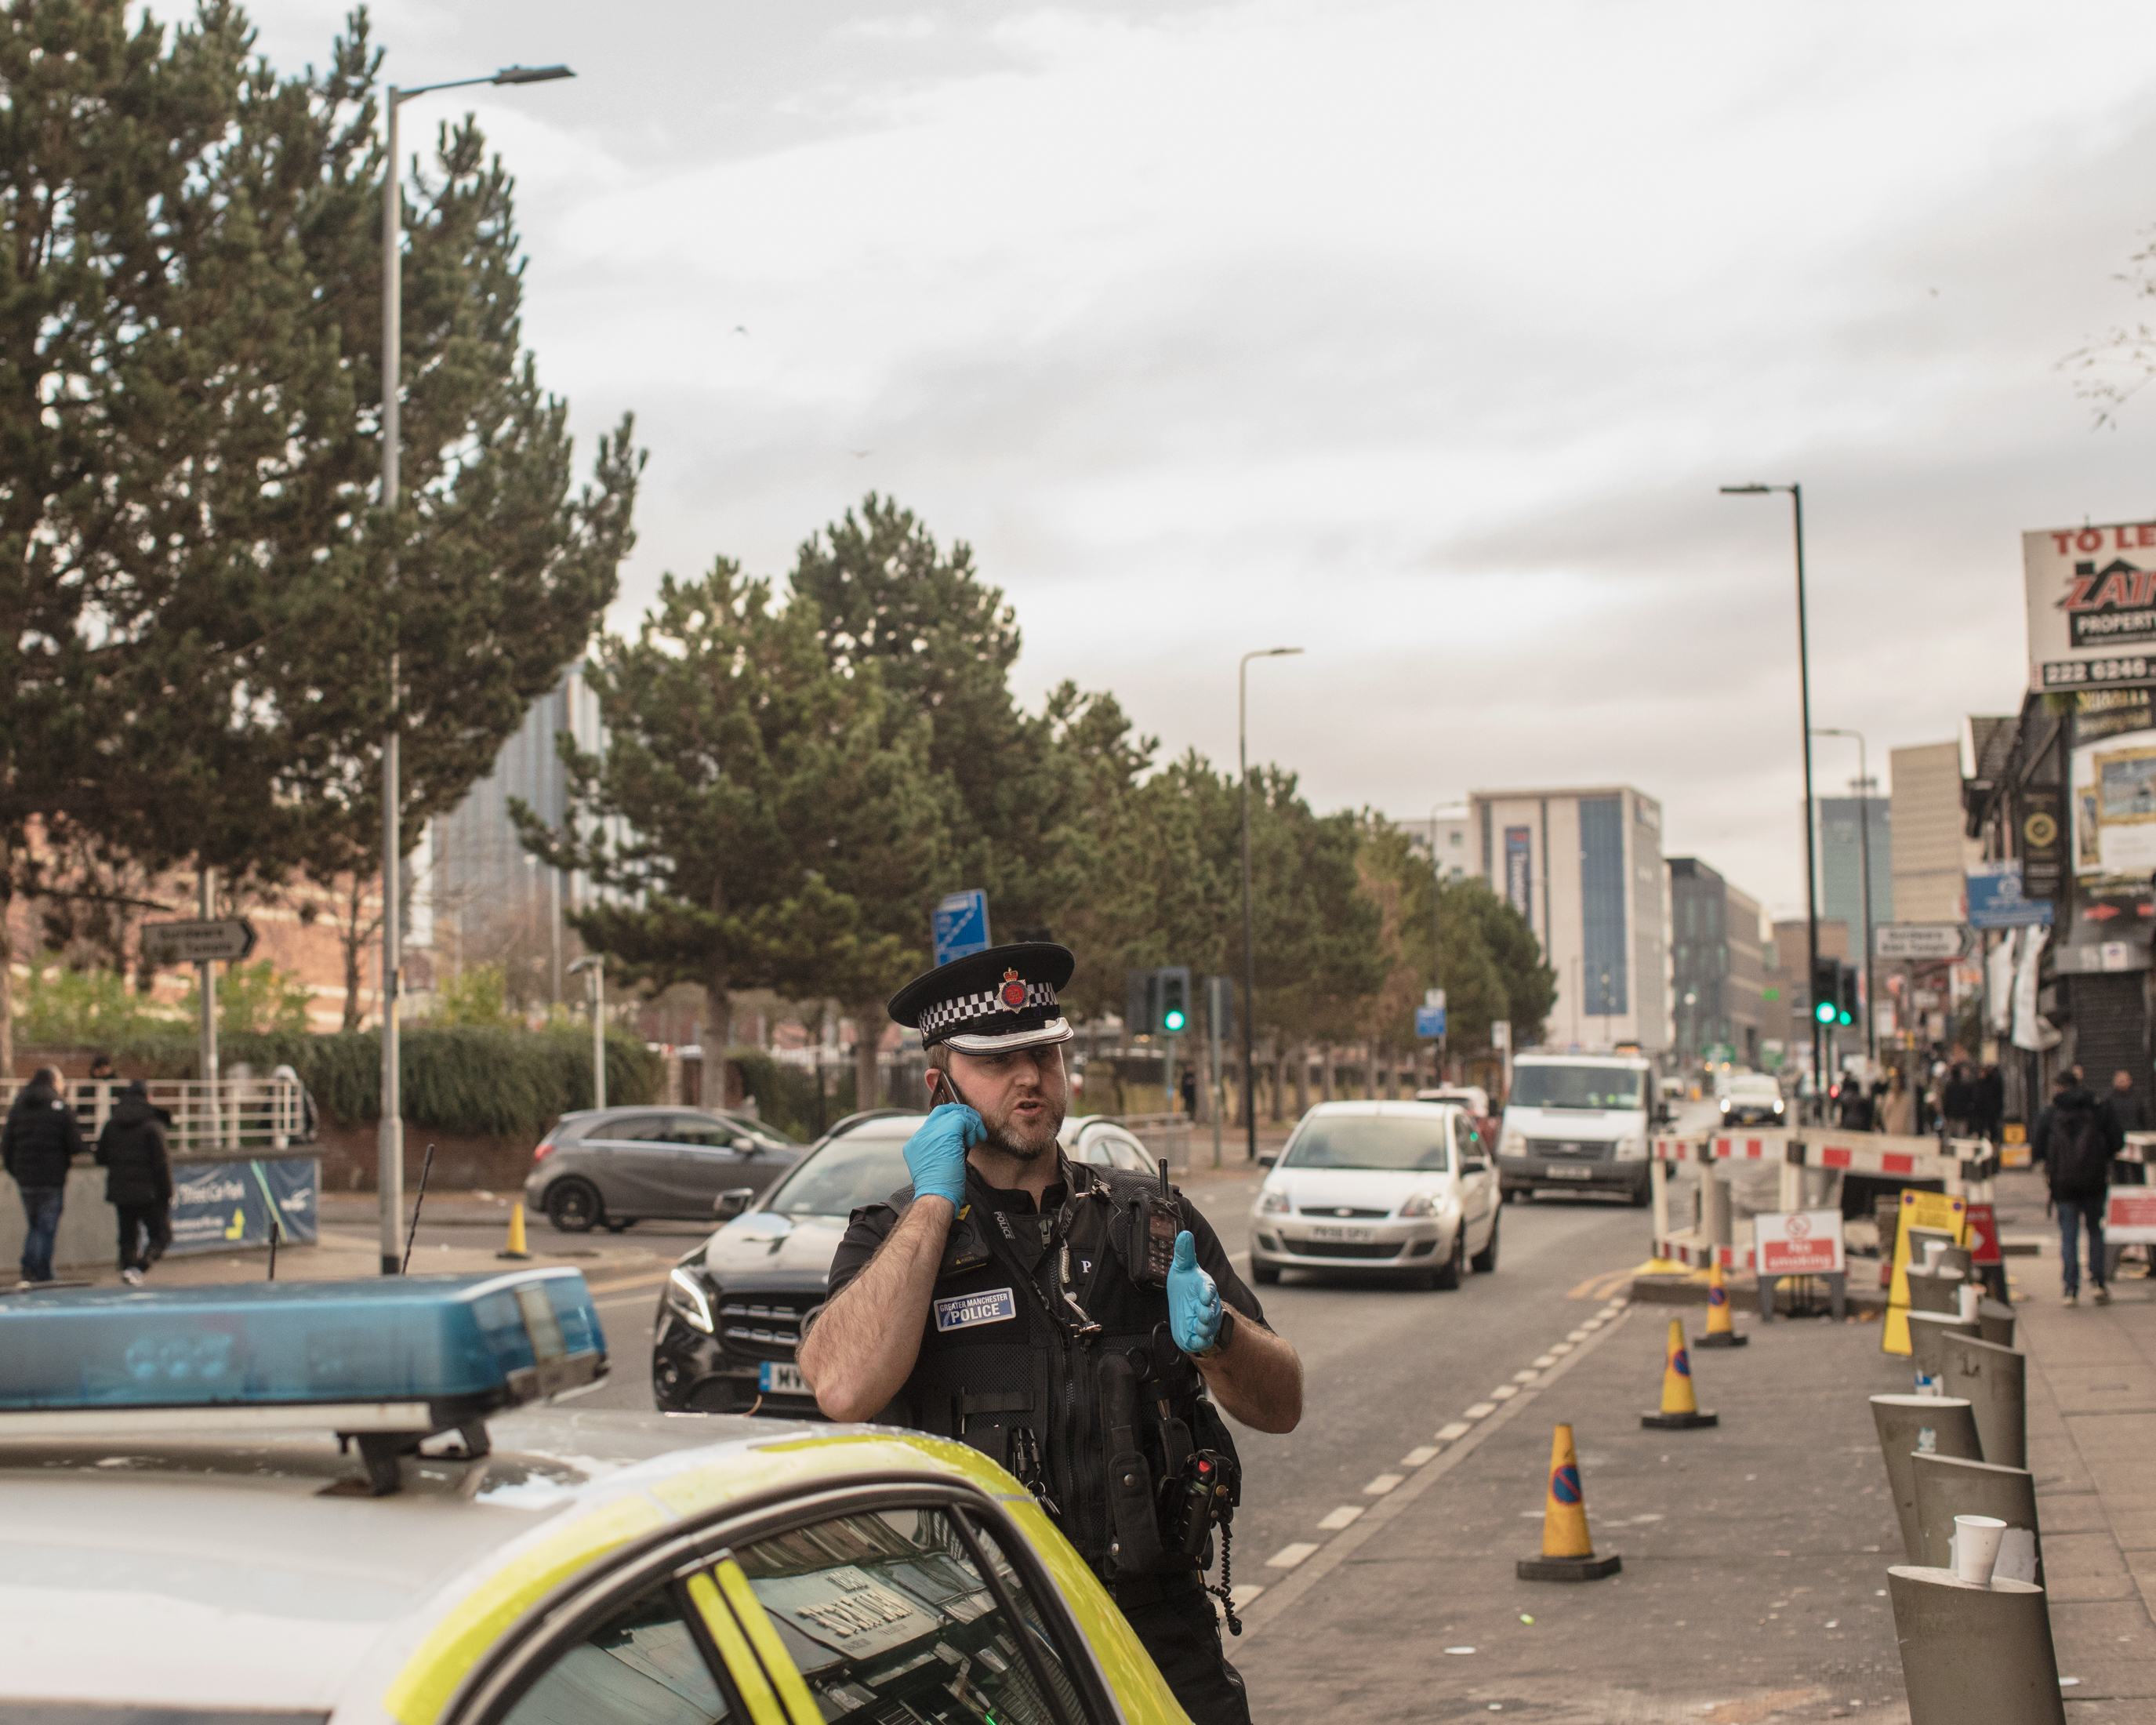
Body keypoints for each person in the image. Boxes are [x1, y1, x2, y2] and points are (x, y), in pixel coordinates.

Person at [800, 943, 1302, 1725]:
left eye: (1042, 1051)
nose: (1028, 1076)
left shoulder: (1149, 1220)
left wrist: (1219, 1335)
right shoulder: (894, 1237)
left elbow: (1281, 1403)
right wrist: (935, 1204)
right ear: (940, 1087)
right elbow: (840, 1385)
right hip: (980, 1650)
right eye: (996, 1060)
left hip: (1157, 1635)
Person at [2033, 1070, 2120, 1306]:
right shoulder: (2098, 1108)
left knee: (2068, 1235)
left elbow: (2037, 1146)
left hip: (2063, 1185)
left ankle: (2070, 1289)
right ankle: (2098, 1283)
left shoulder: (2050, 1112)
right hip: (2094, 1182)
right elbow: (2117, 1141)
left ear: (2059, 1087)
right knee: (2094, 1231)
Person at [2, 1066, 85, 1287]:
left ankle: (29, 1266)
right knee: (46, 1226)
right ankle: (42, 1271)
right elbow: (76, 1144)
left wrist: (16, 1171)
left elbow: (7, 1144)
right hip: (51, 1178)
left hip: (25, 1179)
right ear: (55, 1082)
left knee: (35, 1224)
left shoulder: (18, 1107)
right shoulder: (61, 1108)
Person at [94, 1080, 173, 1284]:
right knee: (162, 1235)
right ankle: (140, 1267)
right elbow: (162, 1163)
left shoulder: (112, 1124)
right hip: (150, 1193)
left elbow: (100, 1156)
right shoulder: (153, 1126)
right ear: (148, 1097)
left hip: (121, 1191)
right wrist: (167, 1193)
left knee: (128, 1236)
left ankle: (129, 1270)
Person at [2101, 1069, 2150, 1185]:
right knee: (2119, 1172)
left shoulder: (2136, 1097)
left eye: (2124, 1080)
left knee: (2138, 1171)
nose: (2122, 1083)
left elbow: (2143, 1117)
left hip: (2135, 1138)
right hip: (2118, 1140)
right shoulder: (2109, 1099)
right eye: (2120, 1081)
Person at [1881, 1067, 1915, 1137]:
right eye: (1892, 1081)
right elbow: (1884, 1116)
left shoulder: (1906, 1098)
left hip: (1904, 1136)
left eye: (1896, 1080)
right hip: (1890, 1135)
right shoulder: (1889, 1097)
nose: (1894, 1083)